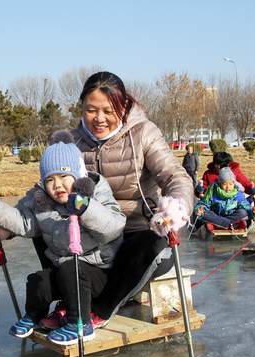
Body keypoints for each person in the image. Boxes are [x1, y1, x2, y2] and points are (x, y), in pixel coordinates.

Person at [44, 71, 193, 326]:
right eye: (91, 110)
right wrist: (3, 223)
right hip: (90, 236)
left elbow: (175, 177)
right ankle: (70, 299)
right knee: (45, 224)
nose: (99, 119)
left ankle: (100, 309)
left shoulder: (143, 133)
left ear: (122, 106)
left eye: (108, 111)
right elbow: (43, 189)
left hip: (134, 230)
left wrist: (176, 208)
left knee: (152, 242)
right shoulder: (71, 143)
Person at [0, 142, 126, 345]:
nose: (57, 185)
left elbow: (113, 227)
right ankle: (34, 315)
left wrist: (86, 207)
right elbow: (25, 223)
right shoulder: (42, 199)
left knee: (69, 269)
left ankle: (80, 324)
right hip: (66, 270)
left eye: (64, 177)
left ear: (78, 174)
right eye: (50, 179)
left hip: (98, 273)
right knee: (39, 280)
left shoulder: (96, 190)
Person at [193, 167, 255, 231]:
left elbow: (245, 205)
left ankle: (223, 223)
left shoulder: (237, 193)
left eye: (230, 184)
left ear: (234, 184)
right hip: (216, 215)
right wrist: (200, 209)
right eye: (225, 184)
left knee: (243, 212)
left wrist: (253, 211)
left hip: (230, 216)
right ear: (219, 183)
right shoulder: (212, 191)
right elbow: (203, 203)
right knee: (204, 213)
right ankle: (228, 223)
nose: (228, 187)